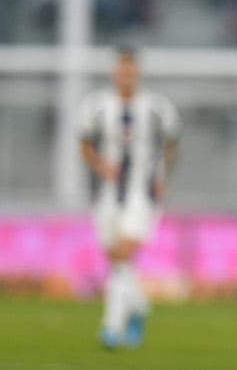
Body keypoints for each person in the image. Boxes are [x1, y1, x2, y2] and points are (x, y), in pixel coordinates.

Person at [77, 45, 180, 350]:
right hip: (107, 195)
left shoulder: (157, 108)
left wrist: (163, 178)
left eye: (131, 68)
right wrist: (100, 166)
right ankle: (139, 308)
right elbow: (84, 145)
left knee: (123, 255)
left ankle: (111, 327)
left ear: (137, 72)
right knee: (117, 262)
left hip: (142, 194)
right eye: (122, 68)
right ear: (115, 71)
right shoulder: (96, 106)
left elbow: (172, 145)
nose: (126, 73)